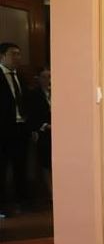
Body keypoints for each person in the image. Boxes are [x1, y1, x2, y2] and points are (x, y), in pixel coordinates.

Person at [0, 42, 30, 218]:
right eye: (13, 54)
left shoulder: (21, 77)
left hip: (20, 129)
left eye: (19, 54)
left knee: (21, 167)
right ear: (2, 56)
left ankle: (22, 201)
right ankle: (2, 206)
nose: (18, 57)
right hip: (3, 130)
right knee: (1, 169)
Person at [27, 67, 52, 195]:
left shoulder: (55, 92)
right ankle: (50, 191)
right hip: (43, 132)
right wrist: (46, 125)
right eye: (45, 76)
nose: (48, 80)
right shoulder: (34, 94)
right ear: (39, 78)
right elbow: (32, 116)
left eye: (50, 76)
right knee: (45, 162)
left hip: (57, 132)